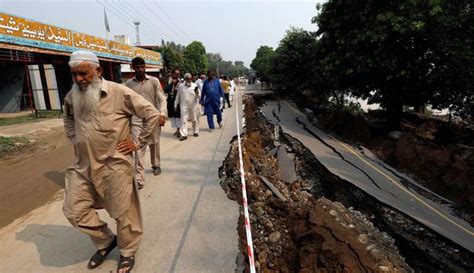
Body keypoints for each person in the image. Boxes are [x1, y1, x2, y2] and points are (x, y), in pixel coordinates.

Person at [62, 51, 160, 273]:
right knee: (73, 210)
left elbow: (152, 114)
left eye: (84, 74)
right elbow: (67, 118)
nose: (79, 79)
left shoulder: (119, 92)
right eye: (75, 74)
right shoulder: (73, 95)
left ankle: (127, 252)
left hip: (114, 164)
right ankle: (106, 240)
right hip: (84, 165)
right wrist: (75, 139)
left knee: (123, 213)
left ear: (98, 71)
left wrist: (138, 142)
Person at [125, 57, 167, 185]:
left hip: (152, 118)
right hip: (137, 119)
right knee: (138, 146)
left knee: (154, 143)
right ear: (133, 68)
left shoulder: (154, 81)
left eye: (142, 67)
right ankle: (139, 178)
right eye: (137, 67)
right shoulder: (128, 84)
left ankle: (156, 165)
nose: (140, 70)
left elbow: (162, 99)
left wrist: (162, 114)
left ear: (145, 67)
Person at [174, 73, 200, 140]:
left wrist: (197, 92)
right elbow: (178, 96)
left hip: (193, 106)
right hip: (184, 106)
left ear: (191, 78)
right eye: (187, 79)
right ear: (185, 79)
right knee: (183, 120)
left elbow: (199, 96)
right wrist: (175, 104)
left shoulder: (195, 86)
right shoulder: (181, 86)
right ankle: (184, 134)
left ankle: (195, 131)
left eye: (190, 78)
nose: (189, 80)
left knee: (194, 120)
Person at [165, 68, 182, 137]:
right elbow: (166, 90)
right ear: (173, 74)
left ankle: (179, 130)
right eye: (176, 74)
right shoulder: (169, 81)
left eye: (178, 74)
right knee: (173, 117)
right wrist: (172, 84)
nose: (178, 75)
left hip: (178, 102)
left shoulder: (181, 82)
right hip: (170, 102)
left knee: (178, 116)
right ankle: (177, 130)